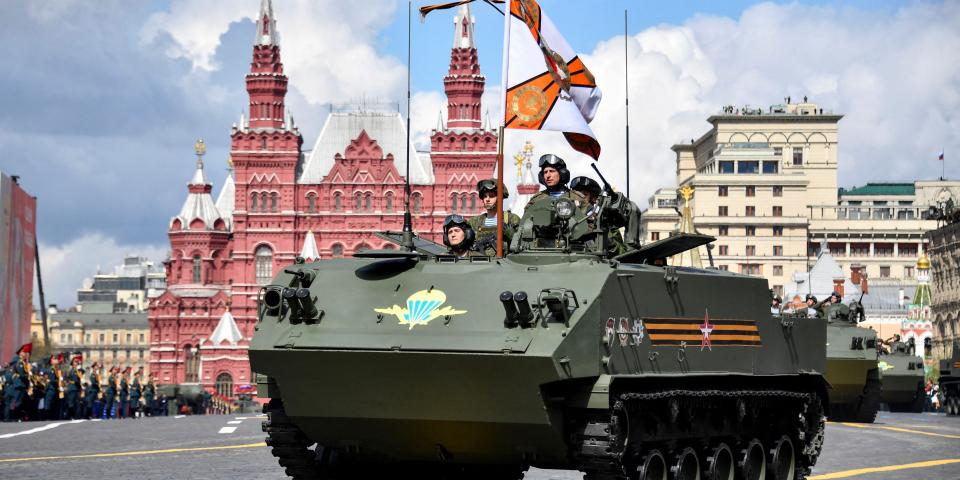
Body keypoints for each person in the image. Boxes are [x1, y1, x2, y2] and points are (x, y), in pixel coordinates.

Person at [570, 176, 627, 255]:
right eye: (576, 195)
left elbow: (622, 252)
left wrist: (606, 240)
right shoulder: (565, 220)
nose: (579, 200)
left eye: (584, 195)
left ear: (594, 199)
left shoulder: (604, 222)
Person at [468, 179, 520, 256]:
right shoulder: (475, 222)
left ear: (500, 198)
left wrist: (511, 235)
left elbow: (524, 245)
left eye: (491, 196)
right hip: (479, 264)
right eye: (485, 196)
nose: (487, 199)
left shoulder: (511, 219)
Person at [64, 355, 83, 419]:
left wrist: (79, 367)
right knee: (71, 403)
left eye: (77, 362)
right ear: (72, 363)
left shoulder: (78, 370)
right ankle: (70, 415)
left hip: (77, 388)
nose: (76, 363)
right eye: (75, 362)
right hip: (72, 388)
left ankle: (76, 416)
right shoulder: (70, 371)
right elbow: (68, 378)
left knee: (77, 403)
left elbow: (81, 376)